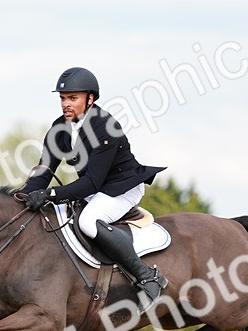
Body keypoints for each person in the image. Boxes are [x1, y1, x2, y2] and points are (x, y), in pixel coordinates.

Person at [19, 67, 168, 310]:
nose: (66, 104)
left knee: (88, 221)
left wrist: (50, 194)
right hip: (94, 188)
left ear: (90, 99)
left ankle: (147, 277)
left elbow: (91, 183)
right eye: (63, 98)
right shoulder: (59, 128)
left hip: (121, 187)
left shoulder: (104, 126)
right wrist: (24, 196)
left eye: (73, 98)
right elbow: (45, 170)